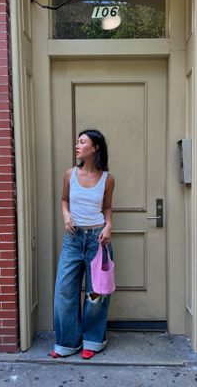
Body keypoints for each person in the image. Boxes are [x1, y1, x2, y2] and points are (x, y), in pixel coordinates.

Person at [50, 129, 115, 360]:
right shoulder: (70, 174)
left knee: (96, 293)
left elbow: (107, 207)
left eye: (82, 141)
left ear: (95, 147)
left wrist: (108, 226)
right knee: (64, 290)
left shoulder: (108, 179)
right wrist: (66, 215)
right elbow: (64, 200)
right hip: (73, 239)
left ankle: (93, 340)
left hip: (98, 239)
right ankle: (67, 342)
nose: (77, 145)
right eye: (77, 141)